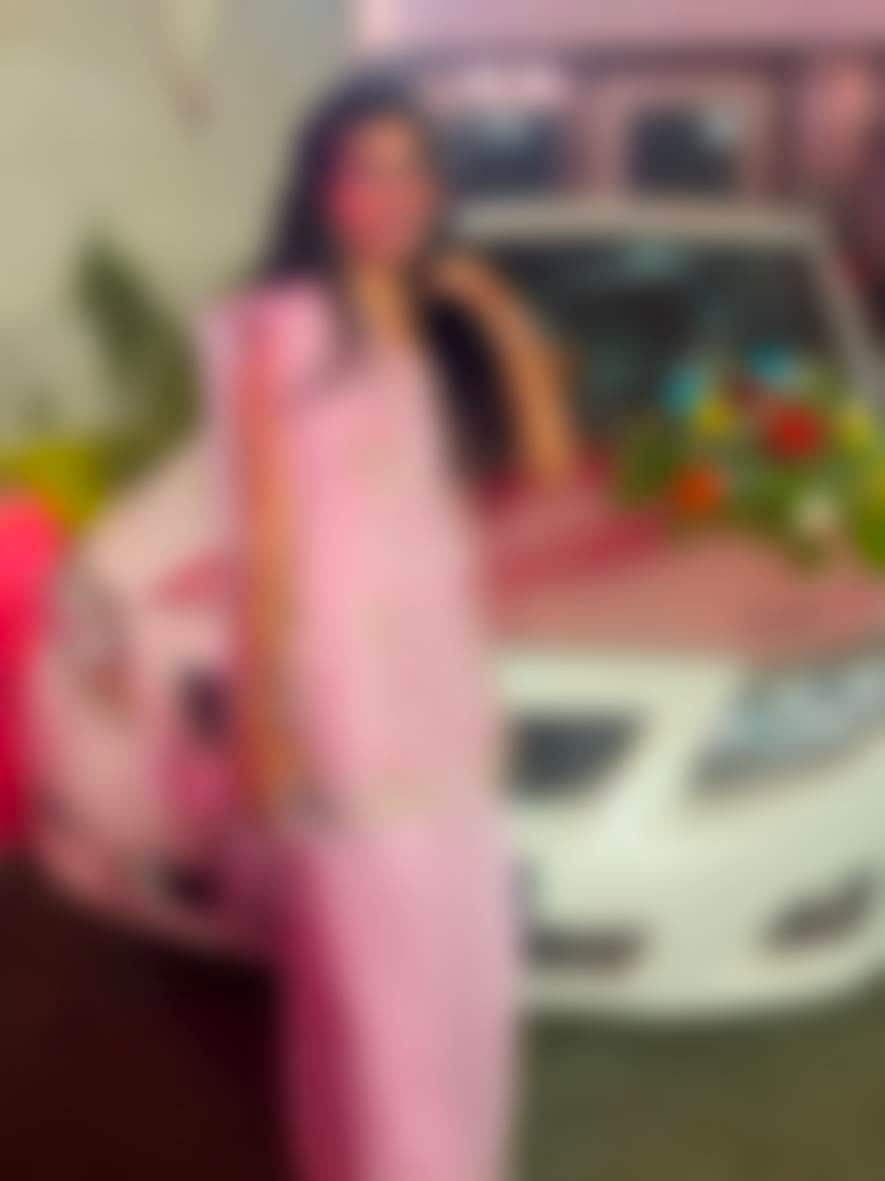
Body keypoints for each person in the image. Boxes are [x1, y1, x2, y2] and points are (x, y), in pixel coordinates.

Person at [200, 75, 575, 1181]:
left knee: (467, 961)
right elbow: (268, 539)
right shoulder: (287, 329)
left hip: (443, 678)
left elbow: (549, 462)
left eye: (413, 168)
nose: (393, 192)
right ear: (325, 191)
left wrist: (493, 306)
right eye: (366, 169)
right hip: (346, 683)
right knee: (380, 984)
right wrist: (265, 714)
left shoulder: (447, 327)